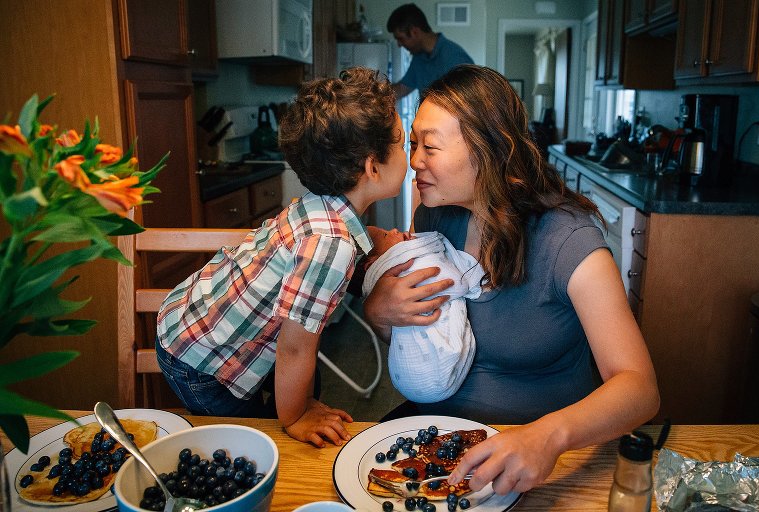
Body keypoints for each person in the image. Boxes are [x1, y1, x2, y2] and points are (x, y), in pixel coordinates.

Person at [363, 64, 660, 494]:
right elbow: (430, 343)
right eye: (412, 144)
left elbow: (640, 387)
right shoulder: (433, 217)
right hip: (442, 439)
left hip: (543, 456)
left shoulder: (570, 242)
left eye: (429, 146)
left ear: (490, 149)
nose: (413, 161)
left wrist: (547, 436)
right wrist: (380, 313)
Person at [155, 67, 407, 448]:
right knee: (256, 446)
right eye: (403, 144)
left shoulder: (324, 205)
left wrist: (378, 242)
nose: (411, 155)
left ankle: (297, 403)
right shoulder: (330, 244)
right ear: (373, 167)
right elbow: (294, 347)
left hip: (192, 318)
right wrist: (296, 416)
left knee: (307, 380)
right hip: (202, 362)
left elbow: (336, 245)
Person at [362, 226, 484, 403]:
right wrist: (374, 312)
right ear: (373, 263)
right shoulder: (405, 267)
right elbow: (455, 283)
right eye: (386, 234)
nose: (395, 229)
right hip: (425, 394)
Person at [386, 3, 473, 99]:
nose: (399, 45)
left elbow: (467, 105)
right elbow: (403, 88)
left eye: (401, 39)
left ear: (414, 32)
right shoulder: (419, 57)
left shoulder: (455, 58)